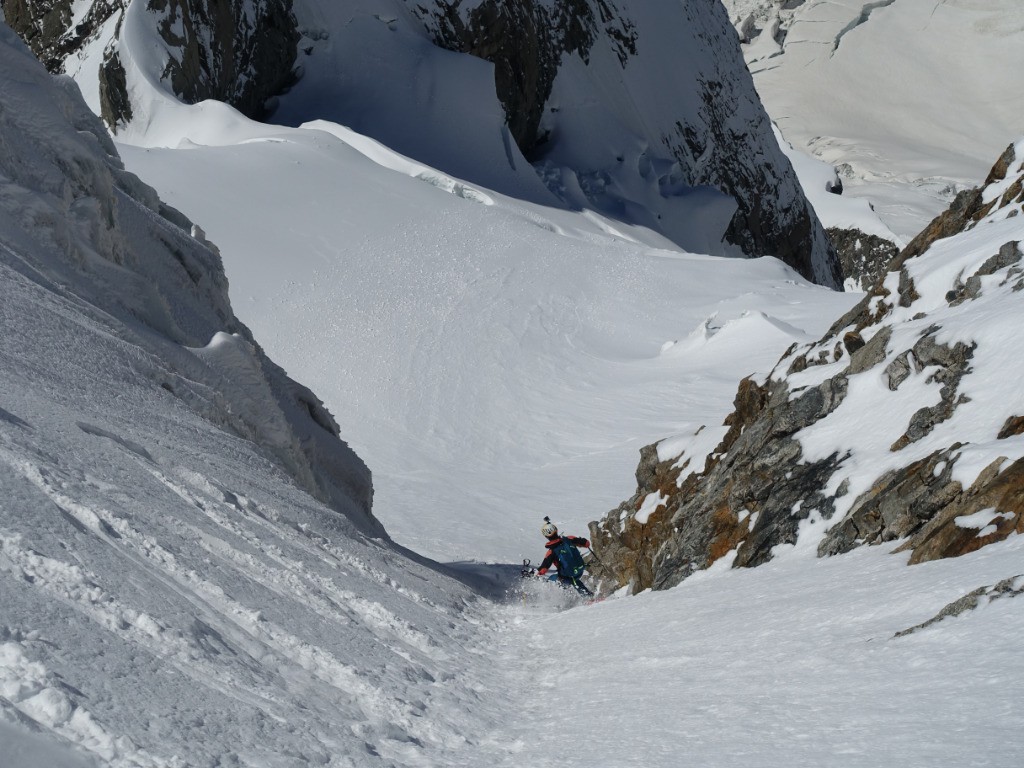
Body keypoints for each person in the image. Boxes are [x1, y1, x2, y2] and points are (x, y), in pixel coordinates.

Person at [536, 519, 593, 596]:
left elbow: (543, 569)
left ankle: (562, 599)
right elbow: (586, 543)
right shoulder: (569, 539)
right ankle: (587, 595)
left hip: (567, 576)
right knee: (574, 579)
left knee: (553, 579)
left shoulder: (551, 551)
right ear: (556, 530)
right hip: (580, 570)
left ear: (546, 536)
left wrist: (535, 574)